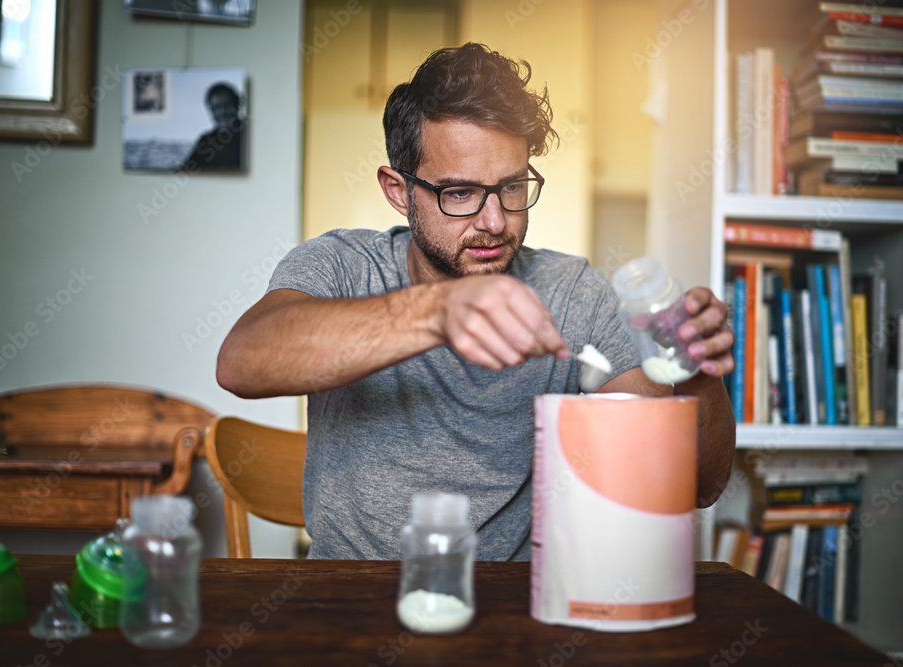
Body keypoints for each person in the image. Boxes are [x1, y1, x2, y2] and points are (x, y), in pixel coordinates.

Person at [217, 43, 736, 560]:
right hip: (351, 597)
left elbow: (694, 486)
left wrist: (694, 371)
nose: (493, 221)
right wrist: (438, 310)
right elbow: (242, 363)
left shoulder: (573, 291)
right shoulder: (343, 265)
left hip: (514, 609)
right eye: (460, 193)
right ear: (398, 191)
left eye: (511, 187)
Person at [182, 82, 244, 171]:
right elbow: (187, 171)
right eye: (217, 107)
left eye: (227, 104)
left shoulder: (250, 136)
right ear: (211, 111)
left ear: (237, 105)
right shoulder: (206, 141)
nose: (223, 111)